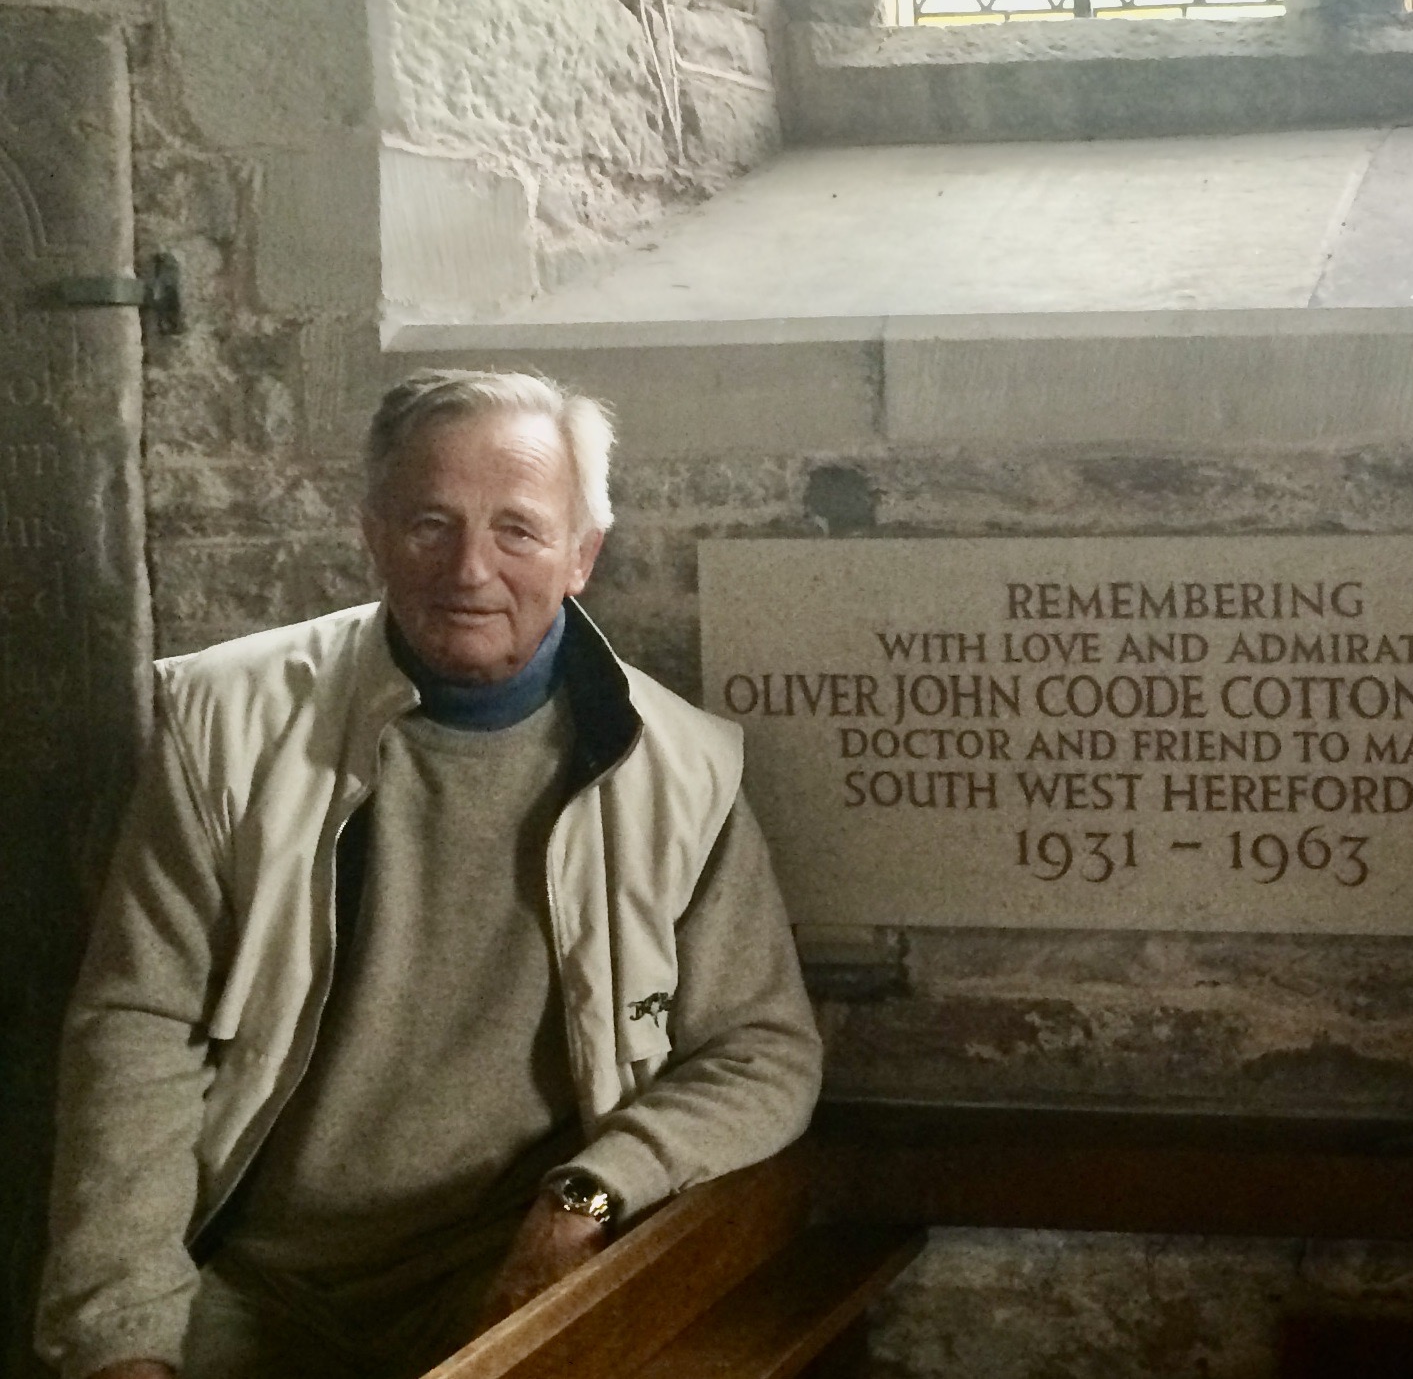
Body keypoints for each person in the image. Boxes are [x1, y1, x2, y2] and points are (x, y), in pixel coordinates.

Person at [35, 371, 824, 1379]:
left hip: (502, 1265)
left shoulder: (680, 769)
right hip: (249, 1267)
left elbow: (763, 1049)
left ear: (583, 554)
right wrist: (124, 1335)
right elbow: (136, 1030)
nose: (470, 568)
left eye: (519, 530)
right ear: (371, 533)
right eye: (430, 522)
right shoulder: (224, 727)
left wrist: (587, 1193)